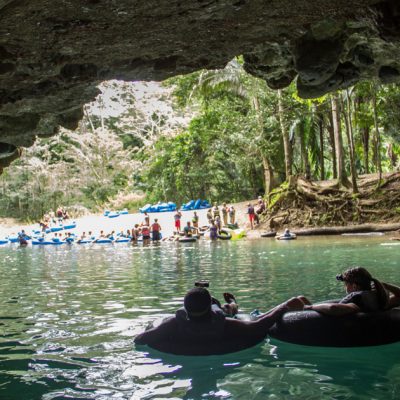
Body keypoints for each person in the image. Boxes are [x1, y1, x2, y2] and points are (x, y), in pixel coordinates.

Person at [134, 286, 303, 355]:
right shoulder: (224, 324)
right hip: (217, 318)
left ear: (185, 308)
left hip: (192, 325)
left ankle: (229, 305)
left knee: (221, 311)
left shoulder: (174, 325)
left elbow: (140, 340)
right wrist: (285, 306)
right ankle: (232, 304)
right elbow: (259, 326)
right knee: (224, 311)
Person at [298, 267, 400, 315]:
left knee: (297, 301)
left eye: (346, 284)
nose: (344, 288)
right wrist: (384, 285)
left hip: (346, 330)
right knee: (301, 299)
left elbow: (333, 308)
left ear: (354, 286)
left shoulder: (357, 299)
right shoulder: (380, 298)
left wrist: (309, 307)